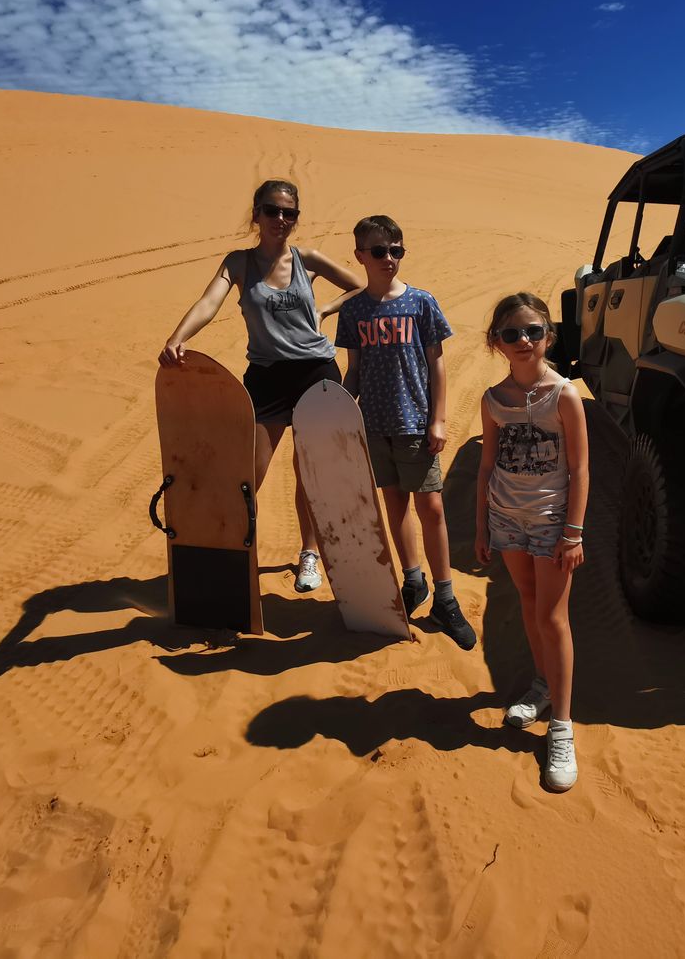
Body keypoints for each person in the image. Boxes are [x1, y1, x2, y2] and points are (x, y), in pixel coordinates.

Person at [158, 178, 361, 592]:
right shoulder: (239, 262)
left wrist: (325, 308)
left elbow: (360, 286)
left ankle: (309, 555)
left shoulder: (308, 259)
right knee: (248, 475)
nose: (281, 219)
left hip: (315, 373)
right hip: (266, 379)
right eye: (272, 210)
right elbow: (208, 302)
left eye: (290, 213)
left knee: (309, 472)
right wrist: (178, 338)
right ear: (257, 214)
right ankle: (233, 554)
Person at [337, 216, 477, 650]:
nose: (389, 259)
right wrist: (337, 409)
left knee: (431, 507)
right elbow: (355, 370)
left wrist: (438, 418)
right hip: (373, 425)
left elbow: (436, 363)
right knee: (394, 504)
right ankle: (412, 580)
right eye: (379, 251)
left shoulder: (421, 302)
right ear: (360, 255)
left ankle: (446, 597)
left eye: (396, 250)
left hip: (415, 420)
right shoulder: (355, 309)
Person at [474, 292, 589, 792]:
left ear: (548, 336)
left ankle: (561, 726)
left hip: (550, 521)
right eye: (511, 334)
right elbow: (485, 465)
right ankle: (542, 685)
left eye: (533, 332)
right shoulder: (492, 399)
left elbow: (582, 469)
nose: (523, 341)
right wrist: (480, 526)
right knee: (525, 600)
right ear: (496, 342)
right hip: (506, 518)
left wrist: (573, 532)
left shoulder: (562, 394)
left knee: (552, 616)